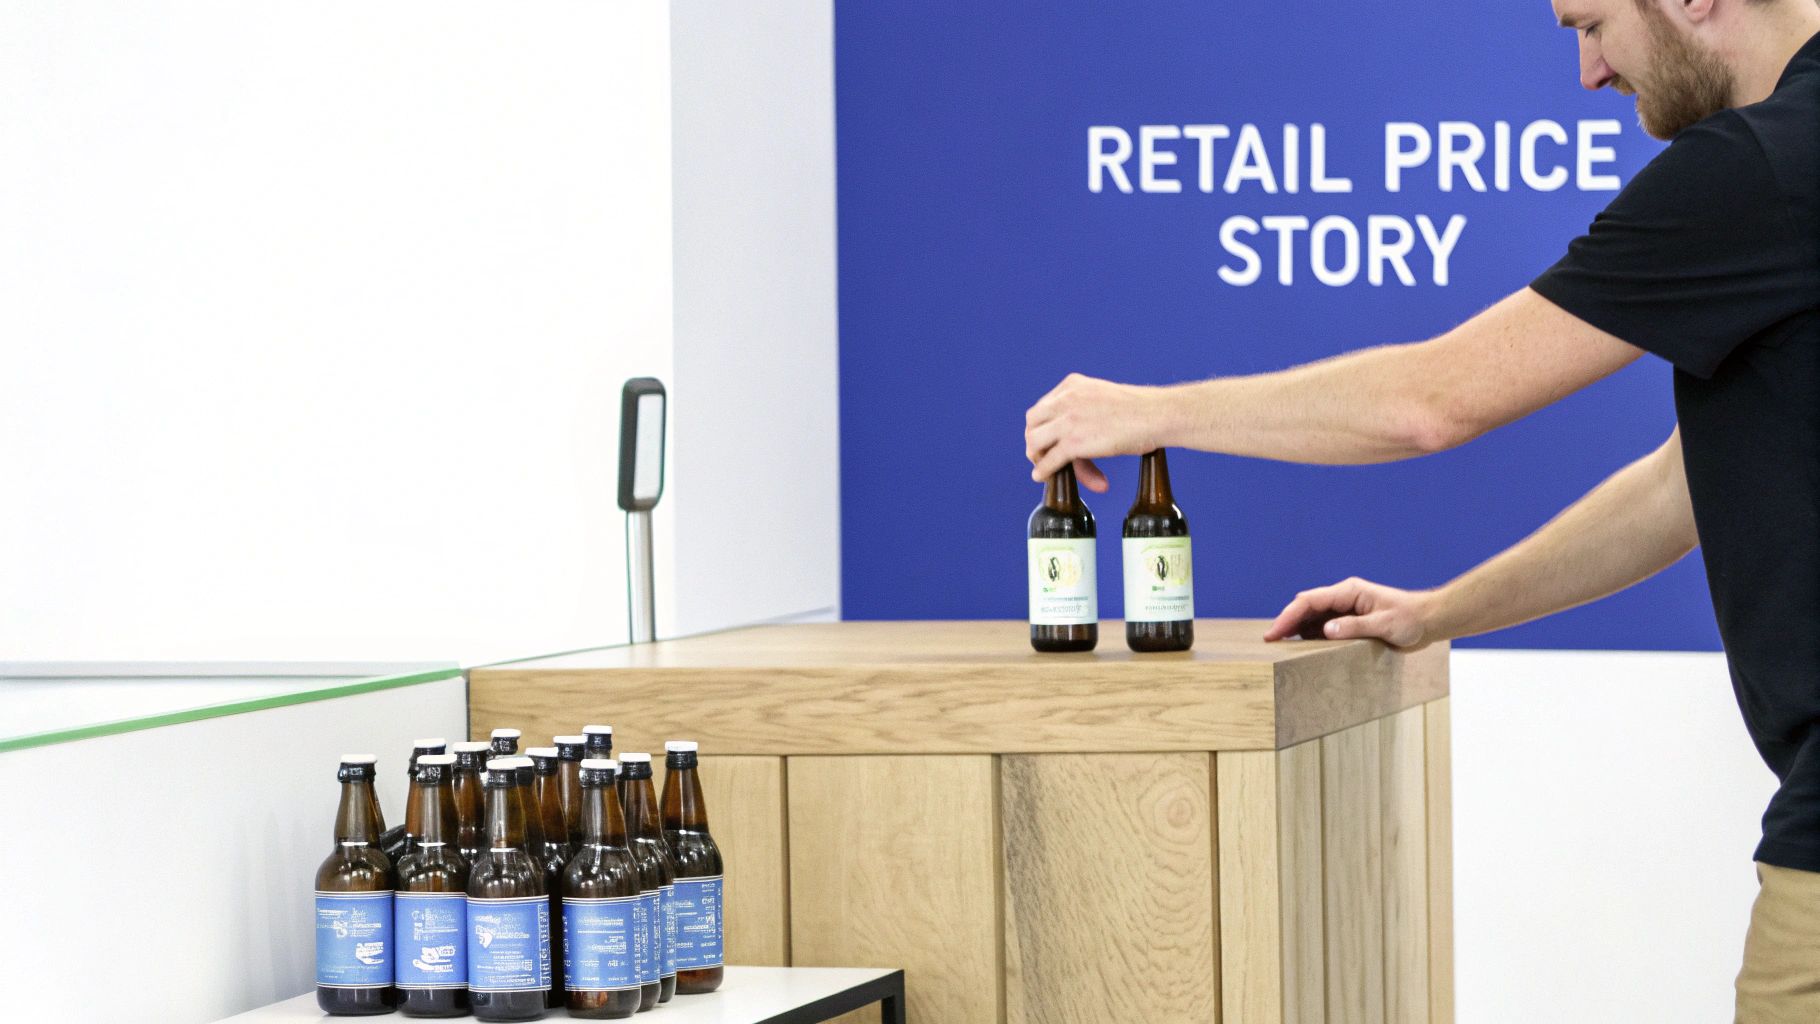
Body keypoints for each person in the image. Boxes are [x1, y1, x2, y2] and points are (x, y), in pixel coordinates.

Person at [1024, 1, 1820, 1018]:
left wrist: (1150, 412)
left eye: (1591, 23)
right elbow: (1679, 488)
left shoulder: (1757, 168)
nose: (1588, 72)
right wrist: (1439, 612)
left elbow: (1430, 403)